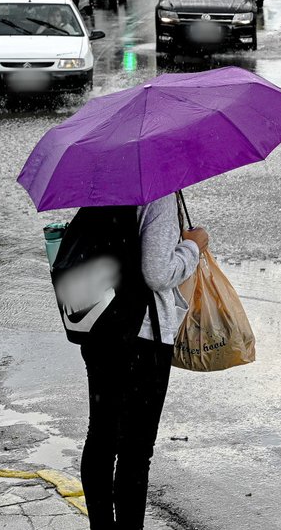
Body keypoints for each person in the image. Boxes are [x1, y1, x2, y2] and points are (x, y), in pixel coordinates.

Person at [81, 192, 207, 530]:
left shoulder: (101, 184)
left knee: (102, 437)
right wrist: (194, 246)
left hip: (99, 326)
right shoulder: (157, 193)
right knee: (136, 450)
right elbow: (156, 273)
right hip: (142, 336)